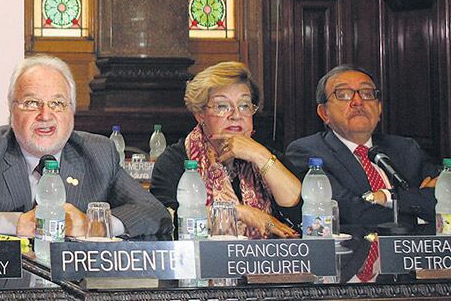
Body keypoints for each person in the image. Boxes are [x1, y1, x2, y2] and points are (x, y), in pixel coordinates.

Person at [0, 54, 169, 238]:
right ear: (11, 110)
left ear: (72, 111)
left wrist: (95, 226)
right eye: (32, 103)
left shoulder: (98, 152)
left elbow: (154, 213)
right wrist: (14, 224)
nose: (45, 115)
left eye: (57, 104)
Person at [150, 61, 301, 238]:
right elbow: (167, 221)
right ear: (200, 114)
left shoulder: (266, 155)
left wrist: (260, 156)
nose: (236, 115)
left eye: (244, 105)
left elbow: (301, 213)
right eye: (222, 106)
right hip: (201, 255)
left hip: (265, 256)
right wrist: (238, 213)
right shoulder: (174, 161)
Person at [285, 64, 440, 227]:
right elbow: (349, 213)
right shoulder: (308, 152)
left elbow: (443, 197)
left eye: (367, 94)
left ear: (379, 108)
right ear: (324, 113)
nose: (358, 102)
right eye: (344, 95)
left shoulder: (406, 149)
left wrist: (386, 196)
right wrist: (419, 217)